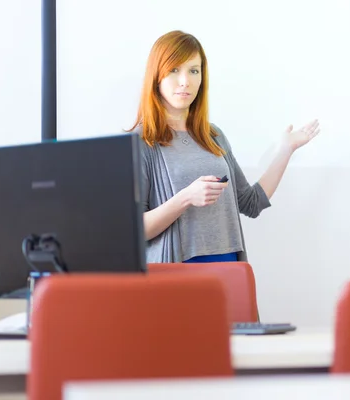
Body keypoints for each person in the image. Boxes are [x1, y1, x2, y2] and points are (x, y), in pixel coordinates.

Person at [128, 30, 320, 264]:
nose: (185, 81)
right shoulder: (141, 142)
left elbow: (251, 202)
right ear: (156, 75)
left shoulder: (213, 136)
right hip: (178, 270)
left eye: (193, 70)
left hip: (227, 265)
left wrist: (286, 150)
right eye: (174, 70)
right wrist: (186, 197)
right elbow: (134, 230)